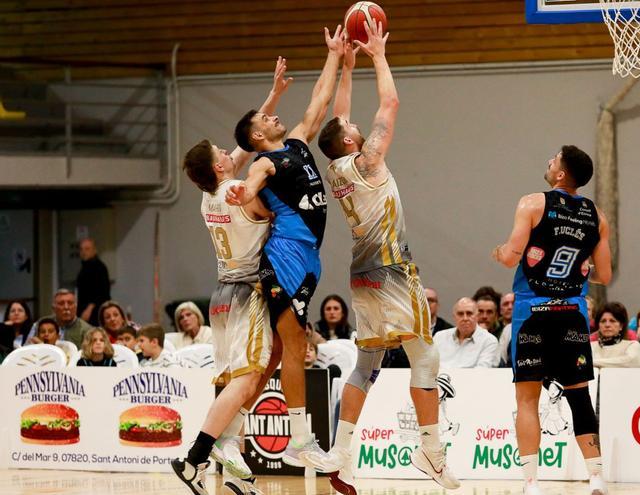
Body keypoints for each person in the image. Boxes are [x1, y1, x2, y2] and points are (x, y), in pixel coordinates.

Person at [300, 23, 459, 492]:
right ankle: (430, 449)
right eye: (352, 129)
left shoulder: (336, 167)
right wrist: (377, 56)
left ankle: (341, 454)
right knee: (425, 357)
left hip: (360, 274)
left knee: (365, 365)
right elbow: (389, 105)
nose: (355, 125)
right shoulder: (368, 160)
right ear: (352, 142)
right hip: (391, 268)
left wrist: (346, 68)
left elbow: (339, 116)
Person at [172, 57, 292, 495]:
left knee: (253, 369)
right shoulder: (239, 192)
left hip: (221, 296)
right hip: (247, 290)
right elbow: (250, 156)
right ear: (220, 168)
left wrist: (274, 94)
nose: (229, 153)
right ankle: (196, 457)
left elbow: (243, 149)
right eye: (222, 154)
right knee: (245, 379)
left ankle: (229, 454)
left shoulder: (210, 197)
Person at [227, 27, 345, 471]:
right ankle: (301, 438)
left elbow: (318, 102)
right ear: (256, 137)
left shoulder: (294, 144)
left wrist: (332, 55)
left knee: (277, 354)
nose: (274, 118)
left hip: (308, 261)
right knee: (294, 347)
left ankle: (233, 429)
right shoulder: (263, 162)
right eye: (264, 121)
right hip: (283, 262)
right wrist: (243, 193)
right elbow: (251, 182)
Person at [492, 144, 612, 495]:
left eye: (553, 159)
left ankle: (531, 484)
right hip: (572, 313)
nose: (548, 161)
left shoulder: (532, 203)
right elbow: (604, 275)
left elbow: (510, 255)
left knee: (527, 401)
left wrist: (500, 252)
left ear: (560, 174)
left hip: (533, 312)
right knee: (579, 397)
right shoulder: (597, 216)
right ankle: (596, 477)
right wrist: (582, 264)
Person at [434, 298, 499, 368]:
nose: (465, 318)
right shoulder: (439, 337)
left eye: (469, 313)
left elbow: (482, 372)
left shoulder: (489, 341)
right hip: (441, 378)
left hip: (474, 378)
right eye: (460, 314)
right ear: (454, 317)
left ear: (477, 316)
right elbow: (428, 366)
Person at [26, 289, 93, 349]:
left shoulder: (87, 330)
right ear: (53, 308)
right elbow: (25, 349)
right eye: (61, 303)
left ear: (76, 307)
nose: (66, 307)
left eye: (70, 303)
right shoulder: (41, 323)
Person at [591, 302, 640, 369]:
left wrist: (591, 363)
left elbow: (631, 362)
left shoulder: (631, 345)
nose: (607, 325)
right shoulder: (590, 347)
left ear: (621, 326)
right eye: (603, 321)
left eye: (612, 321)